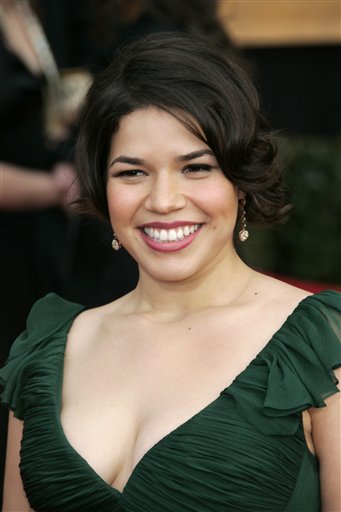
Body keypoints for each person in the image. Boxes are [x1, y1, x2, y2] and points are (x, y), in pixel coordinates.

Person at [1, 32, 340, 512]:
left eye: (195, 168)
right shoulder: (44, 353)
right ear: (102, 187)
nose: (162, 201)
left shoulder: (321, 345)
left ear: (240, 180)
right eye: (132, 173)